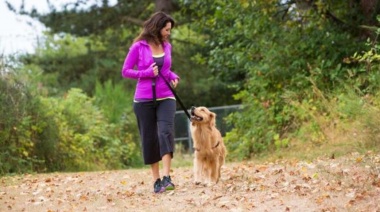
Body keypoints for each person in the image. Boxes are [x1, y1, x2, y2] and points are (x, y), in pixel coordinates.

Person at [121, 11, 179, 193]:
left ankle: (167, 177)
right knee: (150, 138)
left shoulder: (167, 46)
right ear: (157, 27)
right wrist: (145, 73)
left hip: (166, 97)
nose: (168, 33)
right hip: (144, 99)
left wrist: (174, 76)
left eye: (170, 30)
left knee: (165, 132)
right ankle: (156, 180)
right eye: (167, 29)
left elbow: (166, 70)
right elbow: (126, 71)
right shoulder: (138, 47)